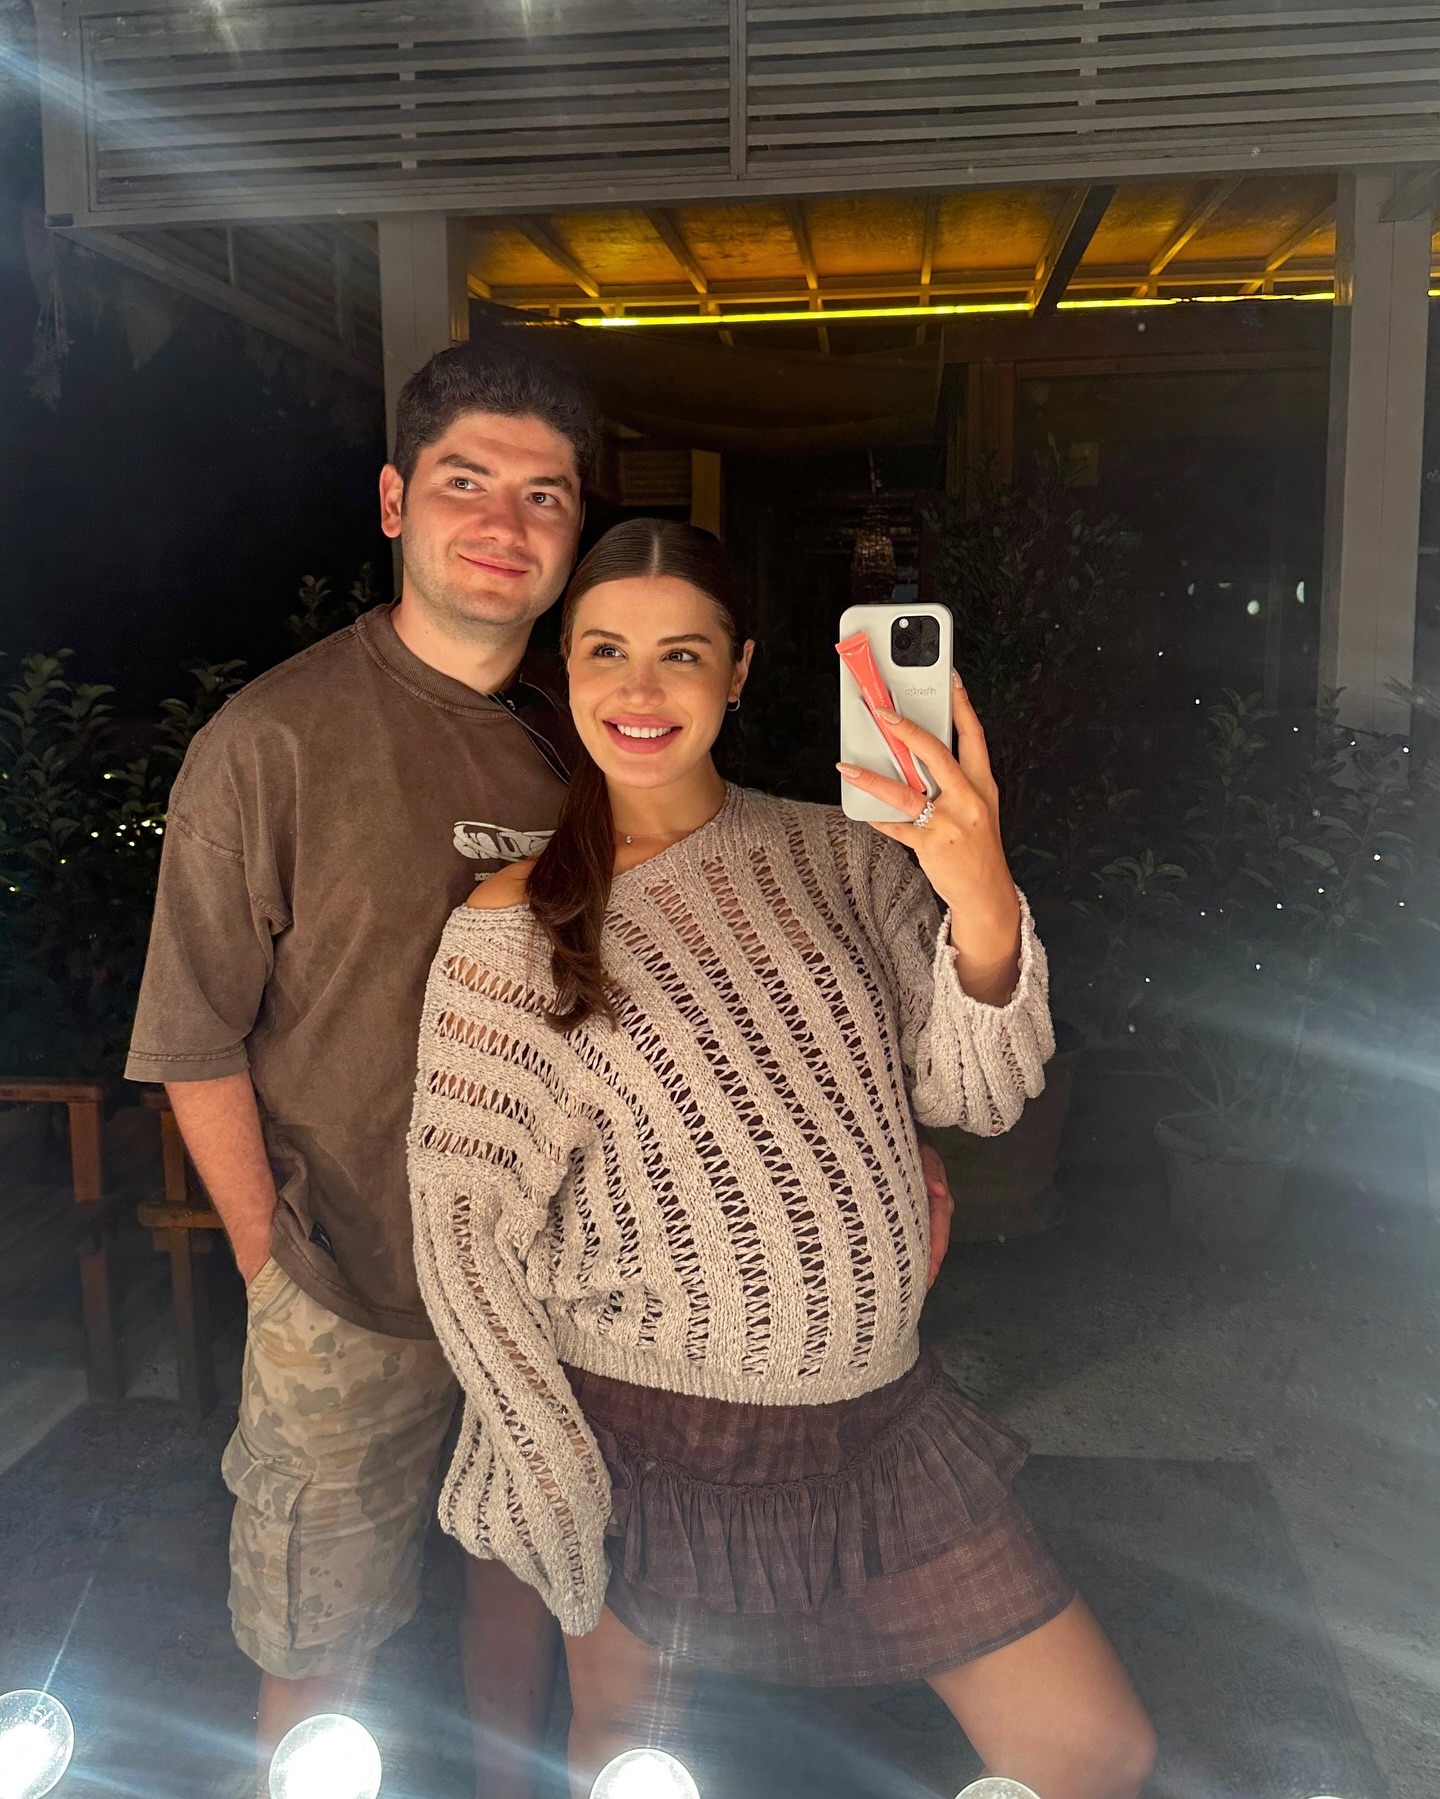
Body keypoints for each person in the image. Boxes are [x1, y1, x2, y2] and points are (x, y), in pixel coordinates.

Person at [409, 518, 1158, 1799]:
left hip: (878, 1425)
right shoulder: (512, 923)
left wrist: (979, 886)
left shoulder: (844, 854)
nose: (641, 689)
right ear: (564, 666)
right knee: (630, 1759)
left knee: (1093, 1748)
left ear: (741, 669)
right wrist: (543, 1459)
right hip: (649, 1437)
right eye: (607, 650)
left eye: (682, 652)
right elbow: (463, 1228)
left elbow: (977, 1094)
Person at [125, 340, 598, 1797]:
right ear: (395, 500)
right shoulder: (272, 738)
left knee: (527, 1579)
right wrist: (272, 1263)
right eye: (468, 481)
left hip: (546, 1282)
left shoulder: (587, 744)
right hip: (345, 1281)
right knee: (317, 1628)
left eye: (544, 494)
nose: (505, 523)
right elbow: (193, 1033)